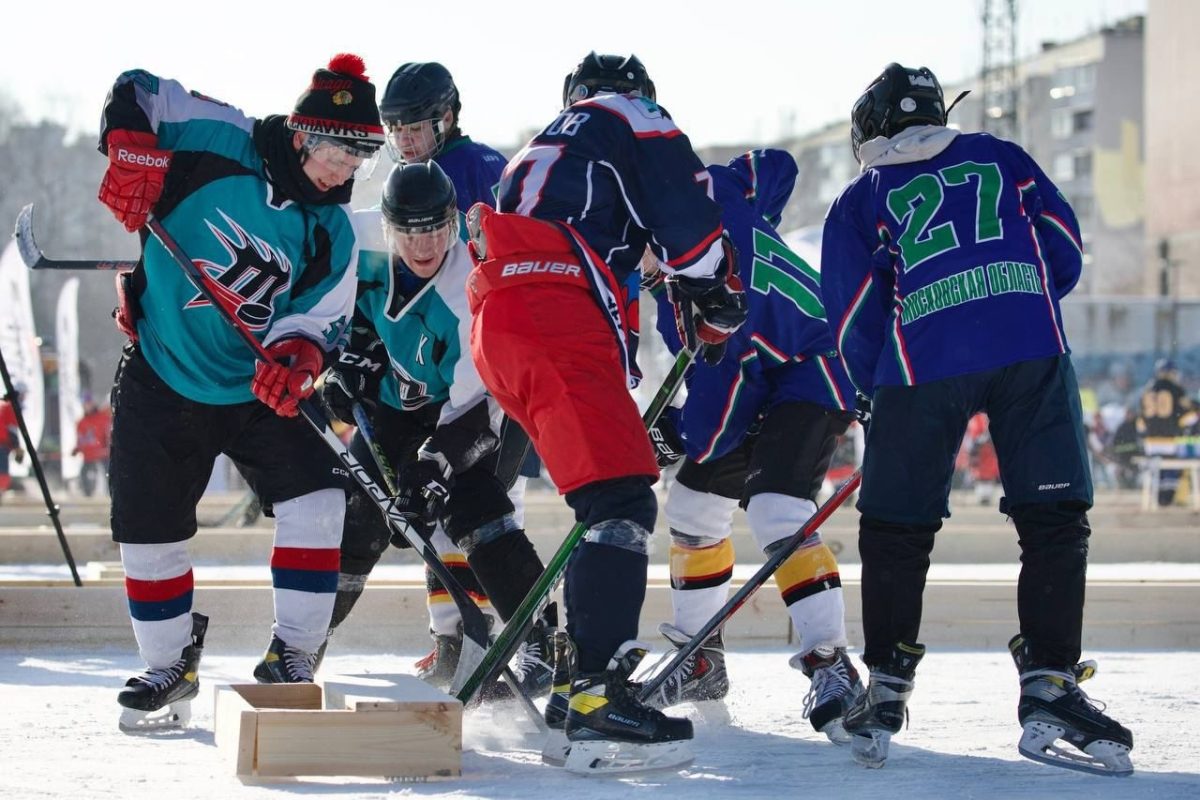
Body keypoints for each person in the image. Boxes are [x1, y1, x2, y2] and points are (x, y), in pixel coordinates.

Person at [820, 62, 1133, 775]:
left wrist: (873, 388)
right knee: (1054, 521)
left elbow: (851, 315)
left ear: (869, 129)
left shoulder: (862, 195)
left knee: (898, 526)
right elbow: (1064, 251)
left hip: (921, 358)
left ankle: (888, 685)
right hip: (1028, 341)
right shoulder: (1002, 156)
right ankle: (1050, 684)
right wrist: (1011, 300)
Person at [466, 52, 748, 774]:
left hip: (504, 320)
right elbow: (684, 217)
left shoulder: (545, 152)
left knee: (607, 494)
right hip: (552, 312)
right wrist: (714, 286)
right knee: (621, 501)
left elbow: (627, 253)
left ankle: (577, 690)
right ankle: (594, 694)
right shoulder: (629, 115)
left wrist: (681, 293)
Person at [99, 54, 384, 731]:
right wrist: (132, 150)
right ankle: (169, 661)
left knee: (319, 503)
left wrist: (297, 358)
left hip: (259, 390)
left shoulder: (332, 231)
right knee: (146, 526)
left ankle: (295, 652)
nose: (344, 171)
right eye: (338, 152)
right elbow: (136, 90)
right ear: (301, 135)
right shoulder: (218, 135)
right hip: (165, 371)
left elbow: (322, 317)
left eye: (361, 158)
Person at [641, 149, 863, 744]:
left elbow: (718, 409)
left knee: (775, 508)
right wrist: (752, 213)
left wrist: (670, 435)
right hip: (767, 369)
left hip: (817, 364)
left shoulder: (697, 295)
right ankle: (700, 660)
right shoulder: (709, 191)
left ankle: (831, 661)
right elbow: (777, 167)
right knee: (690, 506)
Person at [317, 160, 554, 696]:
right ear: (386, 226)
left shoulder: (469, 287)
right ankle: (304, 639)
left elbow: (479, 405)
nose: (423, 244)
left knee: (475, 510)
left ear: (453, 224)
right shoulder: (356, 239)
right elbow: (327, 290)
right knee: (363, 518)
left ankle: (542, 641)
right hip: (401, 401)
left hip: (479, 406)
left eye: (434, 228)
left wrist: (435, 465)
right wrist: (347, 354)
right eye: (408, 230)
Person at [377, 62, 530, 684]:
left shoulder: (483, 170)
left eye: (414, 126)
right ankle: (454, 637)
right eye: (394, 128)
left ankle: (522, 642)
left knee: (492, 507)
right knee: (436, 507)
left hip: (495, 367)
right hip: (445, 374)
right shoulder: (405, 179)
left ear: (447, 116)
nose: (404, 139)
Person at [1136, 359, 1198, 506]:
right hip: (1169, 442)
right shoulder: (1176, 389)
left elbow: (1141, 423)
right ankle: (1166, 499)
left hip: (1150, 443)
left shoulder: (1147, 390)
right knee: (1171, 472)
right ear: (1170, 372)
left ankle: (1155, 496)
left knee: (1154, 471)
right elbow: (1188, 417)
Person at [73, 394, 112, 497]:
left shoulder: (103, 418)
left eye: (89, 403)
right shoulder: (81, 423)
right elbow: (81, 440)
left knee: (109, 475)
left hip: (104, 455)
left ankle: (111, 494)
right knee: (85, 475)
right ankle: (88, 494)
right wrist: (77, 449)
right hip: (89, 456)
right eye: (85, 404)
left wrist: (109, 446)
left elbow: (109, 435)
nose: (87, 406)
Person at [0, 390, 25, 502]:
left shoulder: (4, 406)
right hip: (2, 443)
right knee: (3, 470)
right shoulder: (11, 407)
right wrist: (17, 448)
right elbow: (11, 429)